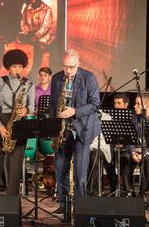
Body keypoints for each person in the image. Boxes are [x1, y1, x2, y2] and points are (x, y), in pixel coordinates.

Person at [49, 49, 101, 215]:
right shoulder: (57, 78)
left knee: (80, 175)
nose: (68, 71)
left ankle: (81, 207)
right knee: (60, 170)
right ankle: (64, 204)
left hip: (81, 130)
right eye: (65, 67)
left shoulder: (89, 78)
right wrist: (53, 127)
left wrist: (74, 111)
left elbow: (94, 104)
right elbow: (52, 104)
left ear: (78, 64)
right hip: (62, 131)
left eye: (71, 67)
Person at [0, 49, 35, 196]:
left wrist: (26, 110)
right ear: (8, 67)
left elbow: (32, 107)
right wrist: (0, 127)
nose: (17, 70)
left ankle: (12, 200)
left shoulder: (29, 84)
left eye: (20, 66)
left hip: (19, 123)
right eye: (14, 67)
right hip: (0, 122)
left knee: (15, 165)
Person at [120, 93, 149, 197]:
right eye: (135, 103)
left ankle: (142, 192)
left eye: (138, 104)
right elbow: (129, 139)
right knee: (125, 156)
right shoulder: (134, 119)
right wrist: (133, 152)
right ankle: (129, 191)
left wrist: (144, 153)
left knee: (147, 159)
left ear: (147, 106)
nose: (134, 106)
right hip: (136, 150)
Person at [87, 93, 129, 195]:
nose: (116, 106)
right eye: (115, 103)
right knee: (95, 154)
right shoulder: (106, 116)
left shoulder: (129, 117)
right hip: (105, 145)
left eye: (119, 103)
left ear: (126, 104)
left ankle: (121, 188)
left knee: (120, 158)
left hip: (123, 148)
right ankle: (93, 190)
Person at [18, 0, 55, 78]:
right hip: (31, 33)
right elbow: (23, 23)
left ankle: (35, 69)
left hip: (44, 34)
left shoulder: (47, 10)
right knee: (20, 37)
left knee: (39, 44)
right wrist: (26, 32)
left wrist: (36, 35)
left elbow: (46, 27)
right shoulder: (27, 8)